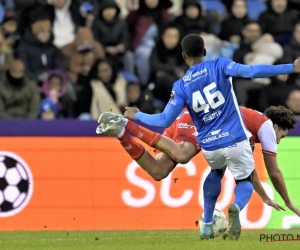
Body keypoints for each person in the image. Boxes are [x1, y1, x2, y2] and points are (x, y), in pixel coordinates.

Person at [98, 34, 300, 240]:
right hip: (233, 136)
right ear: (204, 52)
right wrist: (290, 68)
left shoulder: (181, 85)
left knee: (201, 171)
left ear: (184, 56)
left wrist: (138, 114)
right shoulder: (220, 65)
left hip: (210, 145)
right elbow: (251, 71)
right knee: (242, 178)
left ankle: (206, 223)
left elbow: (163, 120)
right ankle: (236, 207)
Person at [96, 106, 299, 216]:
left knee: (158, 171)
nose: (279, 141)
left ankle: (121, 133)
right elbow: (274, 172)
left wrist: (264, 197)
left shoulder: (248, 128)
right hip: (197, 121)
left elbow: (248, 172)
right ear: (277, 126)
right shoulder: (266, 127)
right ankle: (128, 125)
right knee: (183, 155)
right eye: (283, 135)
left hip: (187, 120)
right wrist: (288, 201)